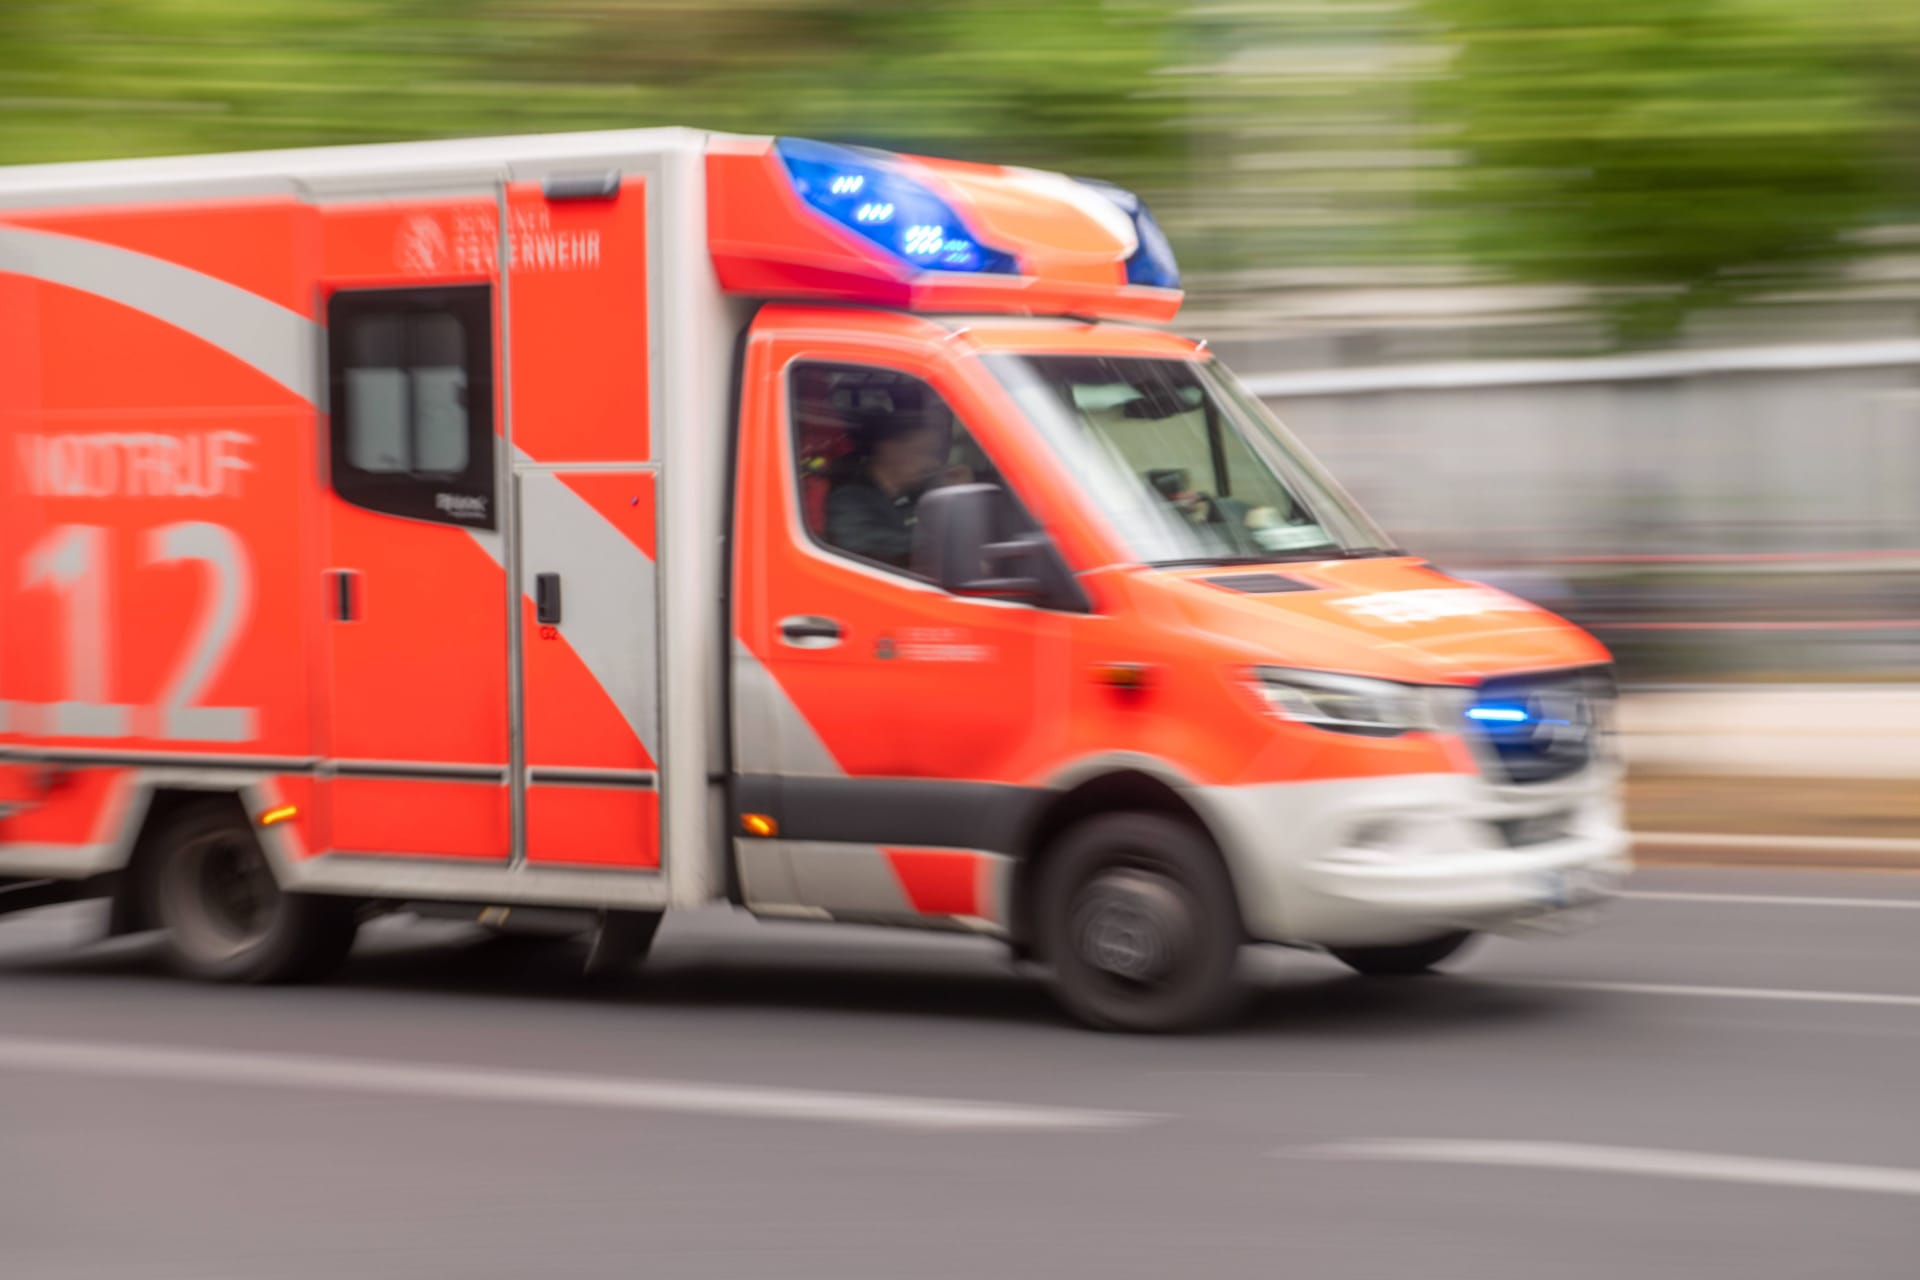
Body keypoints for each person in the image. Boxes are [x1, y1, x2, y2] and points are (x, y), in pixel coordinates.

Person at [825, 410, 953, 568]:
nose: (931, 464)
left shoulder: (918, 492)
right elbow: (868, 545)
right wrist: (939, 543)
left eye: (934, 455)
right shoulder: (848, 499)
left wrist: (955, 494)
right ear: (889, 449)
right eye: (922, 452)